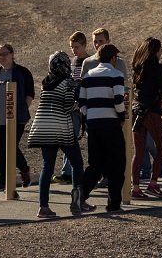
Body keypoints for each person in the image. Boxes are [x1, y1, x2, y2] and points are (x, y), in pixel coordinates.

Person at [27, 51, 95, 217]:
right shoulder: (67, 82)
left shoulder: (46, 82)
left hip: (44, 130)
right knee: (77, 164)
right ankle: (78, 202)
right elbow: (66, 106)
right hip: (62, 130)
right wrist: (77, 106)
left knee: (47, 167)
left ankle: (43, 207)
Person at [0, 44, 34, 192]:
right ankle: (2, 181)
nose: (2, 57)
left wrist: (23, 109)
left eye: (5, 54)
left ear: (12, 54)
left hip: (15, 118)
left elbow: (30, 93)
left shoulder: (22, 72)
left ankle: (24, 171)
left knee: (10, 147)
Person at [79, 43, 126, 212]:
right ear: (113, 58)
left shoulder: (88, 76)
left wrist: (89, 118)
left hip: (93, 126)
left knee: (95, 164)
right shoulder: (116, 74)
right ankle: (113, 204)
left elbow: (82, 102)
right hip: (111, 125)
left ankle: (80, 194)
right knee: (117, 165)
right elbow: (119, 100)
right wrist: (121, 117)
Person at [130, 38, 162, 199]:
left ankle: (135, 188)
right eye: (161, 50)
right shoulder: (158, 68)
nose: (161, 53)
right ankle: (153, 184)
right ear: (155, 51)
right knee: (161, 148)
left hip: (136, 113)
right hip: (151, 112)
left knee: (138, 152)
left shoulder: (137, 68)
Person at [54, 31, 88, 184]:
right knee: (69, 138)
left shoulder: (91, 61)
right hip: (73, 108)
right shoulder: (71, 62)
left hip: (87, 106)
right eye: (72, 47)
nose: (74, 50)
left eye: (76, 47)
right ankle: (66, 173)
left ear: (84, 45)